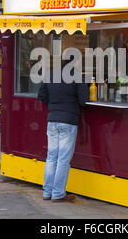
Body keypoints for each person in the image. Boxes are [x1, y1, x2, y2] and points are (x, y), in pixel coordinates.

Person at [37, 59, 89, 202]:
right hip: (68, 121)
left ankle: (47, 192)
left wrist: (53, 107)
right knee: (63, 159)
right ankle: (58, 193)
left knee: (51, 157)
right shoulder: (77, 76)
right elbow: (84, 101)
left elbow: (41, 95)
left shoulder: (50, 74)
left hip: (52, 120)